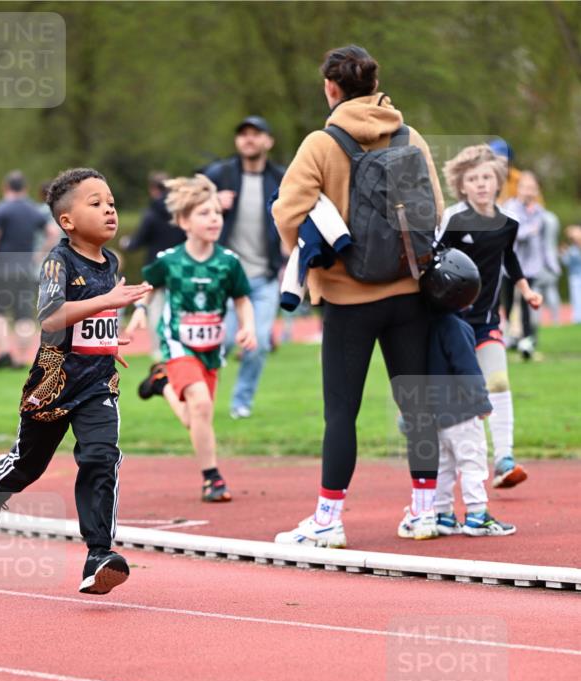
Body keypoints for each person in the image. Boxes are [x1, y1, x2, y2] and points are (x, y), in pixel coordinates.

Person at [271, 44, 445, 546]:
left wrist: (319, 258)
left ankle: (328, 520)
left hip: (349, 298)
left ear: (331, 88)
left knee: (341, 411)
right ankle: (424, 511)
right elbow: (432, 207)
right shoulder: (410, 136)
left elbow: (289, 212)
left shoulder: (321, 144)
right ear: (374, 83)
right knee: (416, 405)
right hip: (410, 292)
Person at [0, 167, 152, 595]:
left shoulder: (112, 262)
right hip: (53, 385)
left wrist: (109, 341)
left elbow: (94, 320)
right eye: (95, 203)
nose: (109, 209)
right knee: (31, 465)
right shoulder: (58, 261)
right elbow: (51, 319)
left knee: (100, 457)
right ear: (67, 221)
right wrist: (107, 301)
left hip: (98, 384)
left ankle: (99, 555)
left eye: (111, 202)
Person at [128, 175, 256, 502]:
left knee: (195, 415)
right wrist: (141, 310)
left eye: (217, 212)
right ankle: (212, 478)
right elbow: (149, 287)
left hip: (211, 348)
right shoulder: (169, 261)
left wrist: (248, 327)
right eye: (203, 213)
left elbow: (242, 299)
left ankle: (161, 383)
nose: (214, 218)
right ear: (184, 221)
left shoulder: (228, 263)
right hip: (178, 343)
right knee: (199, 404)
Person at [437, 145, 542, 489]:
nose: (481, 184)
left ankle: (504, 460)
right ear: (462, 186)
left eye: (486, 177)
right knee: (458, 397)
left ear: (498, 183)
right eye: (473, 179)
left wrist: (526, 291)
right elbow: (435, 264)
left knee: (498, 383)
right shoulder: (455, 221)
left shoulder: (507, 224)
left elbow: (509, 259)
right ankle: (451, 467)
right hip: (452, 323)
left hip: (485, 322)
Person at [202, 116, 285, 419]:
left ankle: (241, 402)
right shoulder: (219, 174)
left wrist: (290, 259)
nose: (249, 139)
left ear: (268, 141)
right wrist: (210, 200)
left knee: (258, 343)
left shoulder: (281, 178)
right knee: (219, 341)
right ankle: (203, 399)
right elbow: (181, 204)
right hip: (224, 277)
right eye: (243, 134)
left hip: (264, 279)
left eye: (256, 134)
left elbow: (298, 217)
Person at [427, 313, 515, 537]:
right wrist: (481, 401)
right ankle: (477, 514)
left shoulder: (420, 325)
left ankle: (442, 515)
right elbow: (467, 369)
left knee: (443, 467)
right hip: (462, 413)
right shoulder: (458, 326)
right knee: (472, 464)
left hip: (433, 413)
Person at [0, 170, 59, 369]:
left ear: (5, 187)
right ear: (25, 188)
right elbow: (52, 233)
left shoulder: (1, 210)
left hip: (1, 268)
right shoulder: (33, 210)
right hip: (26, 268)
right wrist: (39, 254)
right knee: (23, 315)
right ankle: (21, 359)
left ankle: (4, 352)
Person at [119, 171, 185, 357]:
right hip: (180, 266)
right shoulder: (181, 211)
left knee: (156, 309)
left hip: (156, 267)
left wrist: (127, 243)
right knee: (179, 307)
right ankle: (180, 346)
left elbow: (138, 241)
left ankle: (158, 349)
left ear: (153, 189)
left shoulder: (151, 213)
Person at [502, 171, 549, 357]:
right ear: (519, 188)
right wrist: (530, 230)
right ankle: (510, 336)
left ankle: (527, 339)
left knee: (528, 302)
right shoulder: (510, 208)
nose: (529, 191)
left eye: (532, 188)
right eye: (525, 187)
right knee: (508, 304)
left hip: (530, 266)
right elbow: (516, 235)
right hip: (510, 264)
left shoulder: (539, 211)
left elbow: (543, 239)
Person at [560, 225, 581, 323]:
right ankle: (577, 318)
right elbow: (567, 263)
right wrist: (563, 253)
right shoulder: (572, 249)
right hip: (574, 276)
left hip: (577, 275)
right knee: (576, 298)